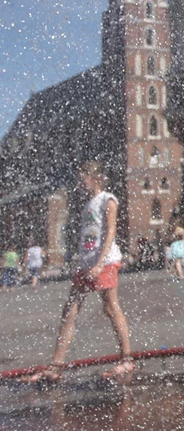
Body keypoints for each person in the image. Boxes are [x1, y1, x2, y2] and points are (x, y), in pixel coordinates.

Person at [24, 160, 134, 382]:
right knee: (70, 310)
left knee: (111, 308)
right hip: (86, 264)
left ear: (95, 177)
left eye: (82, 177)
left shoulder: (108, 200)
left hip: (105, 262)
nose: (79, 182)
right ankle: (56, 366)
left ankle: (127, 360)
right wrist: (84, 262)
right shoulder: (88, 205)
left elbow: (111, 231)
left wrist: (100, 263)